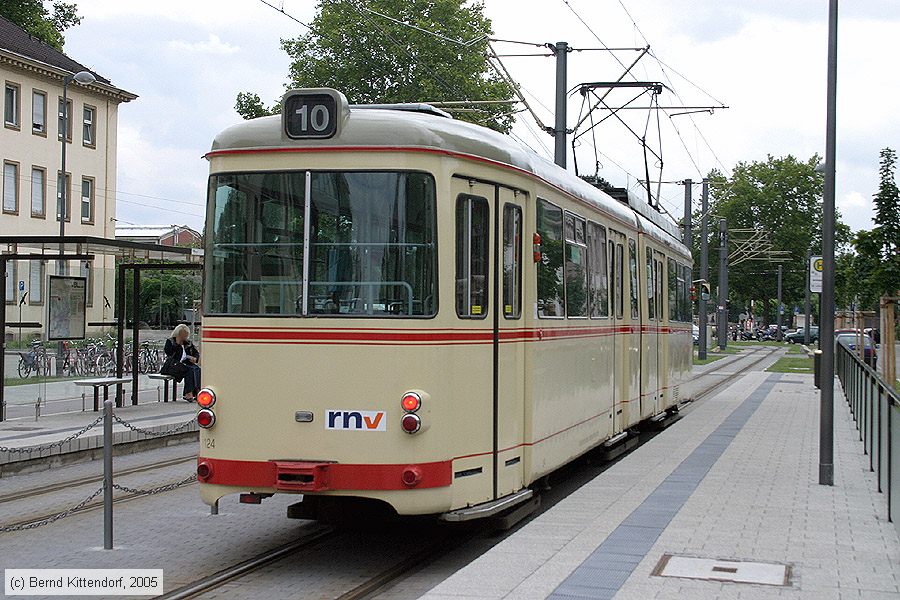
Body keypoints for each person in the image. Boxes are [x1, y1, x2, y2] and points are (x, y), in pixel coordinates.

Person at [161, 324, 201, 401]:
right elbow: (169, 353)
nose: (184, 337)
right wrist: (177, 344)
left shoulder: (188, 343)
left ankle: (197, 390)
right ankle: (188, 393)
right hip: (173, 365)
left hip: (186, 363)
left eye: (185, 335)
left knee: (197, 369)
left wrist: (194, 358)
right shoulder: (170, 342)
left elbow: (196, 353)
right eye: (182, 334)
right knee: (189, 370)